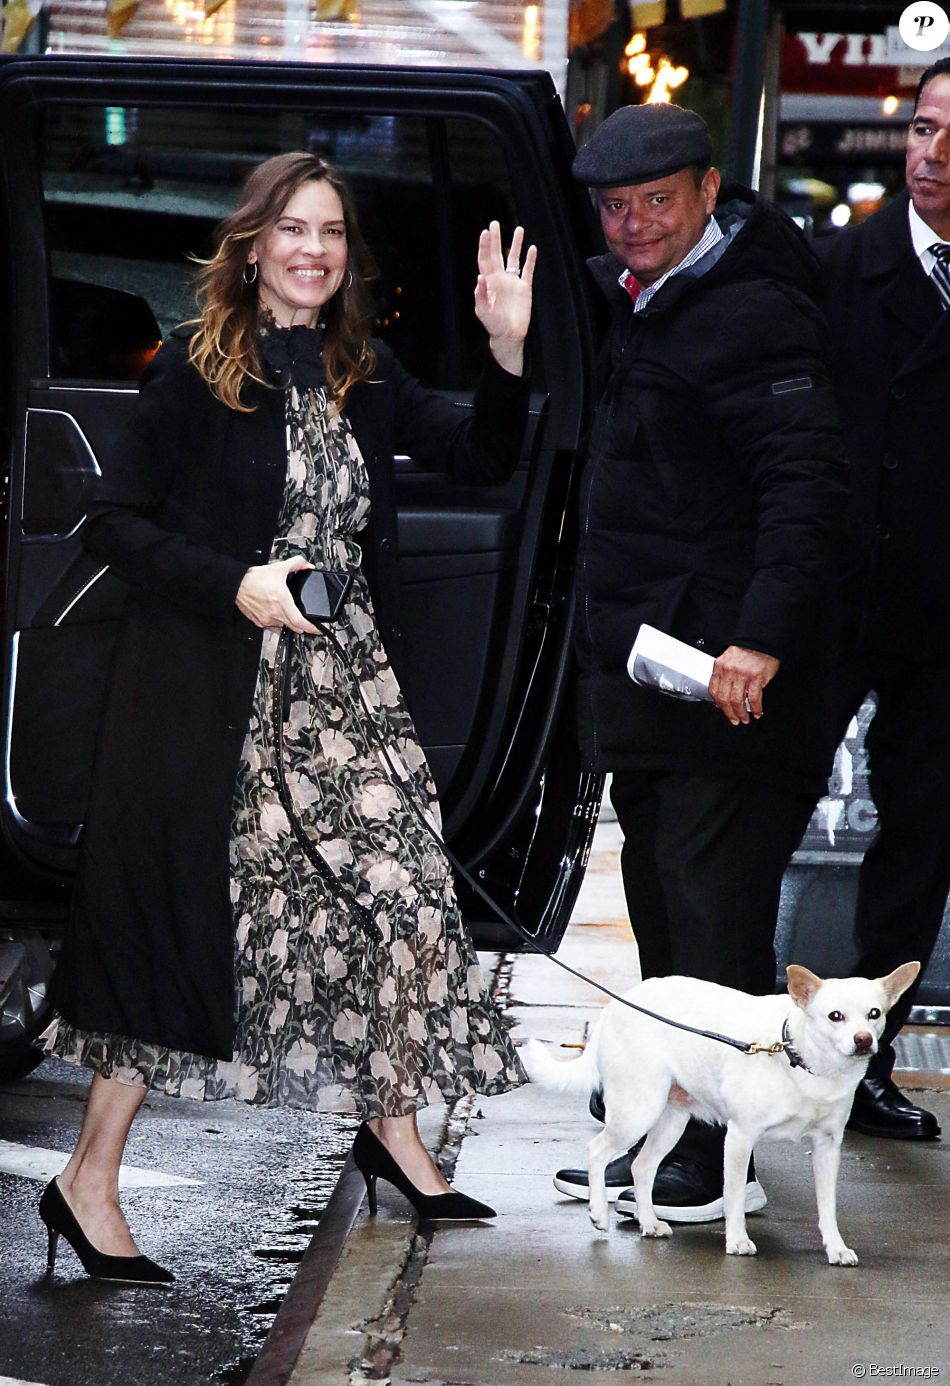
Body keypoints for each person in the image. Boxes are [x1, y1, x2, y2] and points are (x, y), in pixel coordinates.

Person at [38, 152, 536, 1283]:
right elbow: (110, 524)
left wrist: (506, 350)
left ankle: (393, 1125)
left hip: (345, 697)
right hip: (215, 696)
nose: (314, 250)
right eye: (292, 230)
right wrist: (237, 584)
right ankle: (89, 1182)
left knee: (409, 899)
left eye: (333, 234)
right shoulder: (198, 371)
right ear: (253, 244)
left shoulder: (358, 368)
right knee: (183, 932)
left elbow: (482, 451)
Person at [552, 103, 847, 1222]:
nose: (630, 226)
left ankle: (715, 1169)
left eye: (654, 204)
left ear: (708, 191)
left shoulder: (754, 314)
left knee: (709, 917)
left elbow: (804, 488)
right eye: (614, 207)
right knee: (666, 911)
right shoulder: (638, 301)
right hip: (657, 680)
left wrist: (758, 637)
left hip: (729, 683)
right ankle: (673, 1136)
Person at [811, 58, 950, 1142]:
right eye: (919, 127)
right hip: (826, 596)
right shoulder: (836, 269)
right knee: (749, 817)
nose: (931, 153)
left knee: (918, 837)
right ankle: (713, 1062)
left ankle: (863, 1067)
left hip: (939, 617)